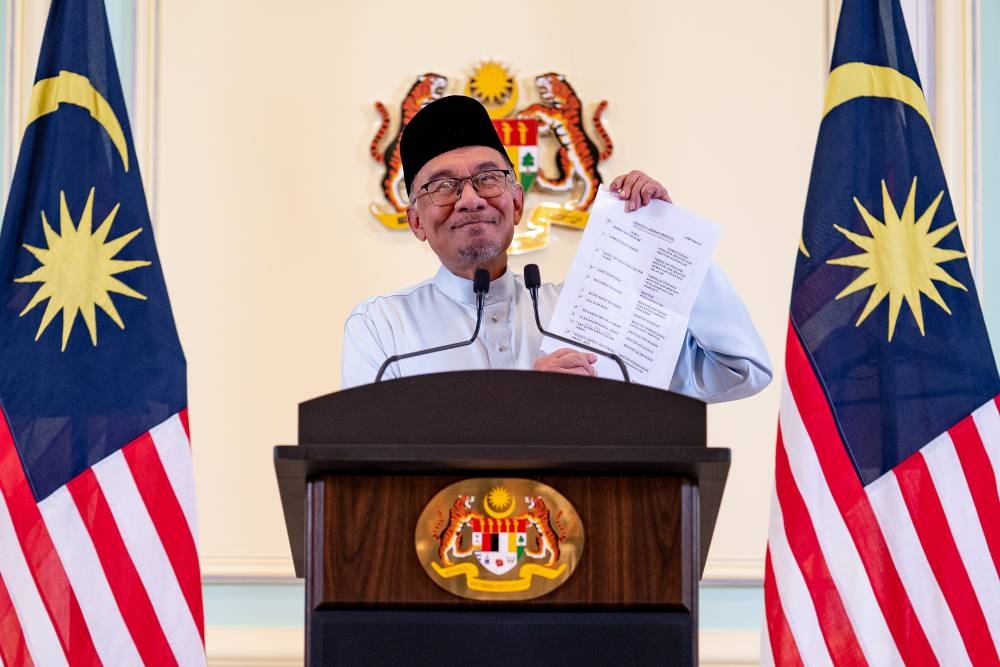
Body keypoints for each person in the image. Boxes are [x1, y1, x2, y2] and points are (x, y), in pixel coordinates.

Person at [342, 95, 771, 401]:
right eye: (443, 186)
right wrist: (529, 403)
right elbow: (367, 458)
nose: (471, 198)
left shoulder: (588, 314)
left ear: (517, 201)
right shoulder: (383, 326)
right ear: (416, 220)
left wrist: (669, 239)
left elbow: (738, 369)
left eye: (488, 177)